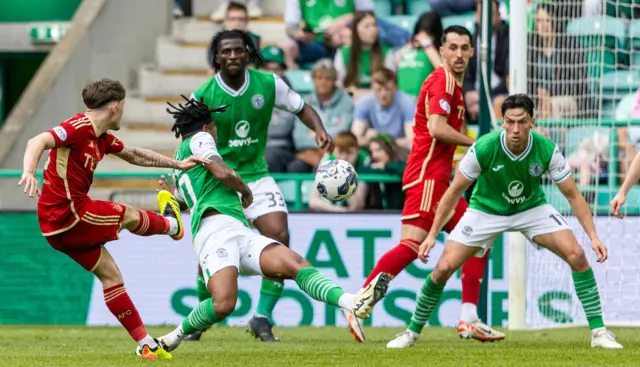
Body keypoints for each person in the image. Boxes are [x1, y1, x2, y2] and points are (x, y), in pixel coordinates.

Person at [387, 94, 624, 349]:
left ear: (533, 121)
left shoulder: (546, 148)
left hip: (531, 208)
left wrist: (593, 237)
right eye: (509, 122)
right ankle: (411, 332)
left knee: (577, 254)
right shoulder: (485, 147)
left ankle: (599, 332)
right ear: (502, 122)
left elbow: (573, 196)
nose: (515, 129)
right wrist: (432, 235)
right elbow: (453, 192)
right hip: (486, 210)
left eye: (522, 122)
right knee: (443, 268)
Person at [156, 97, 390, 352]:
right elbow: (222, 171)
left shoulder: (182, 165)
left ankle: (352, 301)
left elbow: (181, 203)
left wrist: (172, 197)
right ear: (206, 127)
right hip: (215, 233)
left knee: (295, 264)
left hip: (237, 230)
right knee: (223, 304)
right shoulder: (201, 140)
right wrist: (245, 191)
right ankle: (172, 337)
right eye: (214, 126)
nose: (216, 130)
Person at [17, 79, 209, 360]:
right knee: (126, 213)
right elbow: (38, 140)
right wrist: (29, 171)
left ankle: (145, 344)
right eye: (124, 108)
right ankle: (172, 225)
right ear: (115, 107)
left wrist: (177, 163)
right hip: (69, 214)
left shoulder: (101, 137)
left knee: (111, 276)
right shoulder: (79, 127)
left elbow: (133, 154)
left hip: (55, 227)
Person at [345, 25, 503, 343]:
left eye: (464, 48)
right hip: (428, 177)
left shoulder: (448, 83)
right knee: (412, 246)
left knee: (480, 239)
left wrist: (431, 45)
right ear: (443, 51)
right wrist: (476, 143)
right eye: (453, 48)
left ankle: (469, 318)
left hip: (438, 178)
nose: (459, 54)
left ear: (472, 52)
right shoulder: (443, 81)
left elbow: (439, 123)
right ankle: (357, 303)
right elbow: (436, 128)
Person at [186, 29, 343, 342]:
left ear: (248, 53)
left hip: (256, 175)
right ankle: (202, 315)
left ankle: (261, 318)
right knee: (212, 260)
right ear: (216, 58)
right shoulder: (203, 95)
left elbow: (302, 107)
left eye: (238, 50)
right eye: (226, 52)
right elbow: (188, 142)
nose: (233, 56)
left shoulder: (268, 84)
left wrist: (319, 130)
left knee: (279, 236)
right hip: (220, 181)